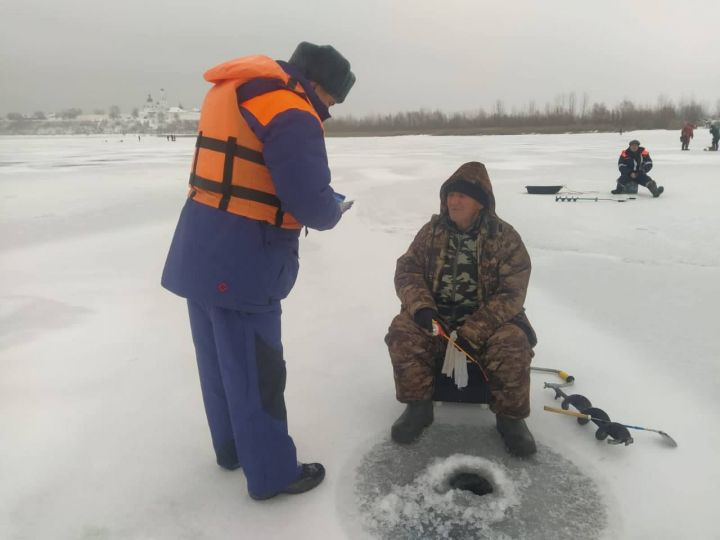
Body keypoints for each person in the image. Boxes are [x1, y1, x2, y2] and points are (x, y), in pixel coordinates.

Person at [161, 42, 355, 500]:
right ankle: (271, 473)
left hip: (199, 251)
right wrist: (335, 208)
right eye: (333, 100)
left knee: (219, 365)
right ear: (321, 85)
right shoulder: (293, 112)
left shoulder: (234, 90)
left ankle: (232, 450)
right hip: (245, 264)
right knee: (257, 372)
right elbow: (312, 205)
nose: (329, 109)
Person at [385, 162, 538, 457]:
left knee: (512, 344)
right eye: (450, 195)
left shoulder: (505, 238)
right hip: (438, 319)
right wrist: (421, 309)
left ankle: (510, 419)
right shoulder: (430, 232)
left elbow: (512, 292)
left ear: (480, 203)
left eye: (462, 197)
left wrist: (473, 331)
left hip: (490, 323)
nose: (453, 202)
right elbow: (408, 271)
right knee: (402, 331)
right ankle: (418, 407)